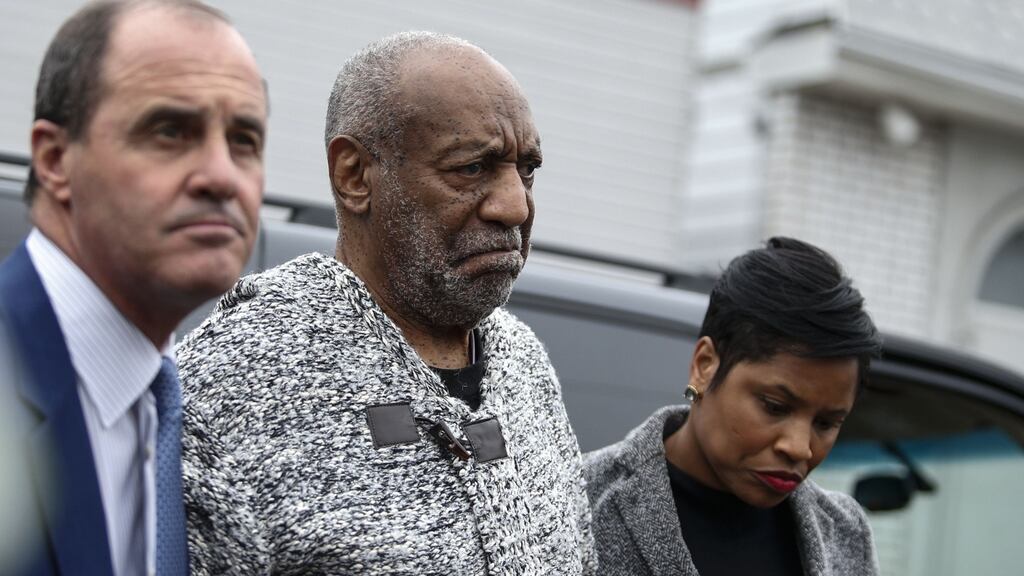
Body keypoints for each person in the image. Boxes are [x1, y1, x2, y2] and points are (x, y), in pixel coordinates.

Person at [177, 31, 596, 575]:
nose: (515, 205)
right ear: (354, 175)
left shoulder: (524, 366)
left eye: (526, 169)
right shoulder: (231, 382)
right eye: (471, 168)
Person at [0, 1, 267, 574]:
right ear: (54, 160)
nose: (221, 176)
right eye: (170, 130)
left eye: (244, 139)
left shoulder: (161, 399)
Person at [585, 237, 884, 576]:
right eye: (775, 406)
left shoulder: (845, 530)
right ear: (705, 365)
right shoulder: (577, 499)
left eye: (827, 423)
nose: (799, 448)